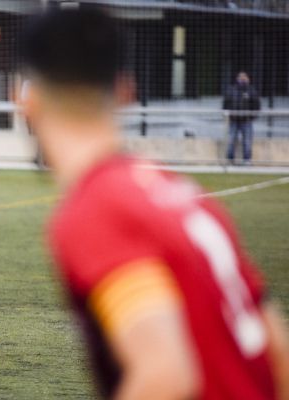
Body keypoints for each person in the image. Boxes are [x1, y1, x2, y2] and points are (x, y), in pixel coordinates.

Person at [19, 8, 289, 399]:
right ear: (126, 92)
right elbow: (276, 349)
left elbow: (167, 374)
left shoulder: (98, 209)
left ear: (28, 102)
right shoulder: (183, 193)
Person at [223, 71, 261, 165]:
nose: (242, 79)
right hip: (234, 120)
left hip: (246, 121)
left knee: (247, 141)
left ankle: (247, 160)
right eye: (241, 77)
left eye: (244, 77)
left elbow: (257, 105)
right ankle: (230, 159)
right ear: (237, 78)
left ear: (248, 78)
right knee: (231, 140)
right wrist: (228, 115)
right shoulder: (231, 90)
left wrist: (251, 117)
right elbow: (225, 104)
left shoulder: (251, 91)